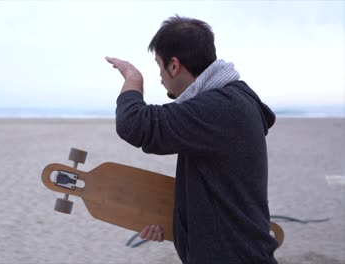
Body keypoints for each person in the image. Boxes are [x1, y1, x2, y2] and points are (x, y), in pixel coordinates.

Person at [105, 15, 279, 263]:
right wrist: (175, 222)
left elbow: (135, 124)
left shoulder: (221, 108)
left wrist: (133, 79)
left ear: (174, 65)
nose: (160, 76)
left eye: (159, 66)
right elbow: (216, 189)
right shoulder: (230, 101)